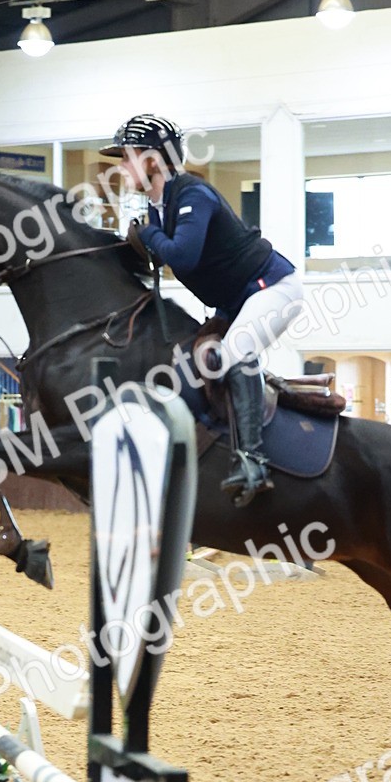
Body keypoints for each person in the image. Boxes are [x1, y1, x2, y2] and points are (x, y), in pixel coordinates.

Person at [100, 114, 304, 507]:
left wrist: (147, 234)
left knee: (234, 354)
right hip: (238, 300)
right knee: (196, 363)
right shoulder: (160, 207)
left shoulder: (193, 194)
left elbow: (184, 257)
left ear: (152, 159)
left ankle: (254, 461)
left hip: (273, 288)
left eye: (127, 157)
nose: (122, 167)